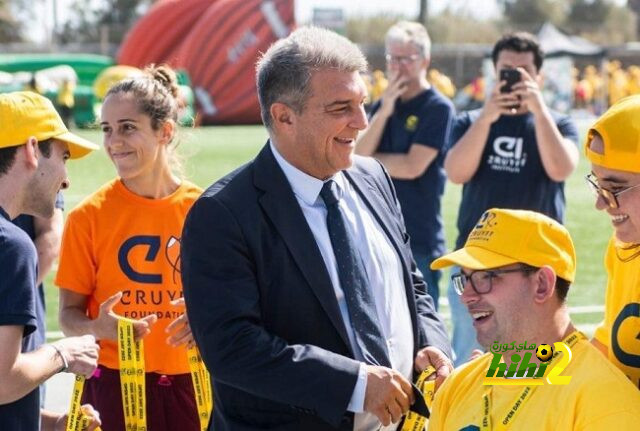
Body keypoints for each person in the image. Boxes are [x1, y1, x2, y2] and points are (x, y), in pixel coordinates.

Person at [181, 27, 452, 431]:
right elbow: (232, 347)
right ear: (284, 116)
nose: (361, 122)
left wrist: (432, 342)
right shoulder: (221, 213)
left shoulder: (373, 176)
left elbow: (410, 284)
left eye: (362, 103)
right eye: (341, 107)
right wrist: (356, 385)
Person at [55, 65, 203, 430]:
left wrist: (208, 322)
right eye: (107, 129)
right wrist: (98, 327)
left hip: (193, 387)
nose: (114, 142)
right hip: (112, 390)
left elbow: (237, 303)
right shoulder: (87, 217)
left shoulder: (206, 211)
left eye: (127, 128)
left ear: (165, 131)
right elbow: (68, 316)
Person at [428, 208, 640, 430]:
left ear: (542, 285)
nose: (466, 296)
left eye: (484, 277)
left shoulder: (605, 404)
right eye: (464, 279)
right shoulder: (457, 386)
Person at [444, 32, 580, 365]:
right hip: (478, 264)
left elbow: (561, 168)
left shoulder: (557, 123)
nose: (515, 78)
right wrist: (488, 117)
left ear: (539, 77)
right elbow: (456, 171)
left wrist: (538, 111)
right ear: (494, 73)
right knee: (473, 358)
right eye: (507, 70)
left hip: (537, 266)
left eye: (524, 71)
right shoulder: (471, 121)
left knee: (538, 361)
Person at [0, 91, 101, 430]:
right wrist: (64, 354)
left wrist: (49, 423)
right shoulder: (12, 246)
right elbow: (3, 382)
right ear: (31, 150)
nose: (66, 179)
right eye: (64, 156)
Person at [356, 21, 454, 308]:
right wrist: (384, 110)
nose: (397, 66)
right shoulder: (383, 103)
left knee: (422, 324)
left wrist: (368, 160)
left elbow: (413, 166)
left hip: (418, 236)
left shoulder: (437, 107)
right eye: (392, 58)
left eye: (405, 59)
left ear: (424, 60)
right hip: (375, 229)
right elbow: (356, 156)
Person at [584, 95, 640, 389]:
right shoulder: (623, 249)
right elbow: (604, 353)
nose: (601, 204)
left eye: (614, 188)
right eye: (597, 184)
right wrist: (507, 367)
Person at [12, 191, 65, 408]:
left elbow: (51, 234)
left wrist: (12, 296)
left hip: (18, 321)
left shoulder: (35, 161)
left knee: (21, 407)